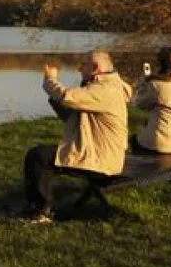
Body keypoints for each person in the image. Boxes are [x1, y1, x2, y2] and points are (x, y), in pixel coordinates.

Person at [21, 50, 131, 223]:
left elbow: (67, 96)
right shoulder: (106, 86)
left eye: (83, 64)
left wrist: (50, 80)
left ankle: (41, 211)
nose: (79, 68)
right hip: (100, 153)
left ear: (95, 68)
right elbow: (73, 117)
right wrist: (54, 99)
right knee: (42, 155)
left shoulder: (105, 90)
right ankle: (39, 206)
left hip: (100, 159)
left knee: (38, 157)